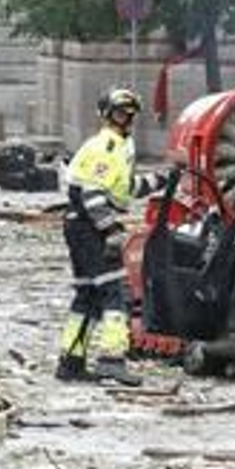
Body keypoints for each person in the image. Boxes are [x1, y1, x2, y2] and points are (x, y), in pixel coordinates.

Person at [57, 86, 167, 386]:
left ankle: (71, 360)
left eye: (131, 114)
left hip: (79, 226)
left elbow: (124, 188)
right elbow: (92, 193)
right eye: (121, 113)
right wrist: (110, 230)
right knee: (115, 293)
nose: (127, 119)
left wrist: (163, 179)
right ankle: (112, 360)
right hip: (90, 227)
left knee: (88, 295)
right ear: (106, 115)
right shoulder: (107, 146)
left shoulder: (117, 146)